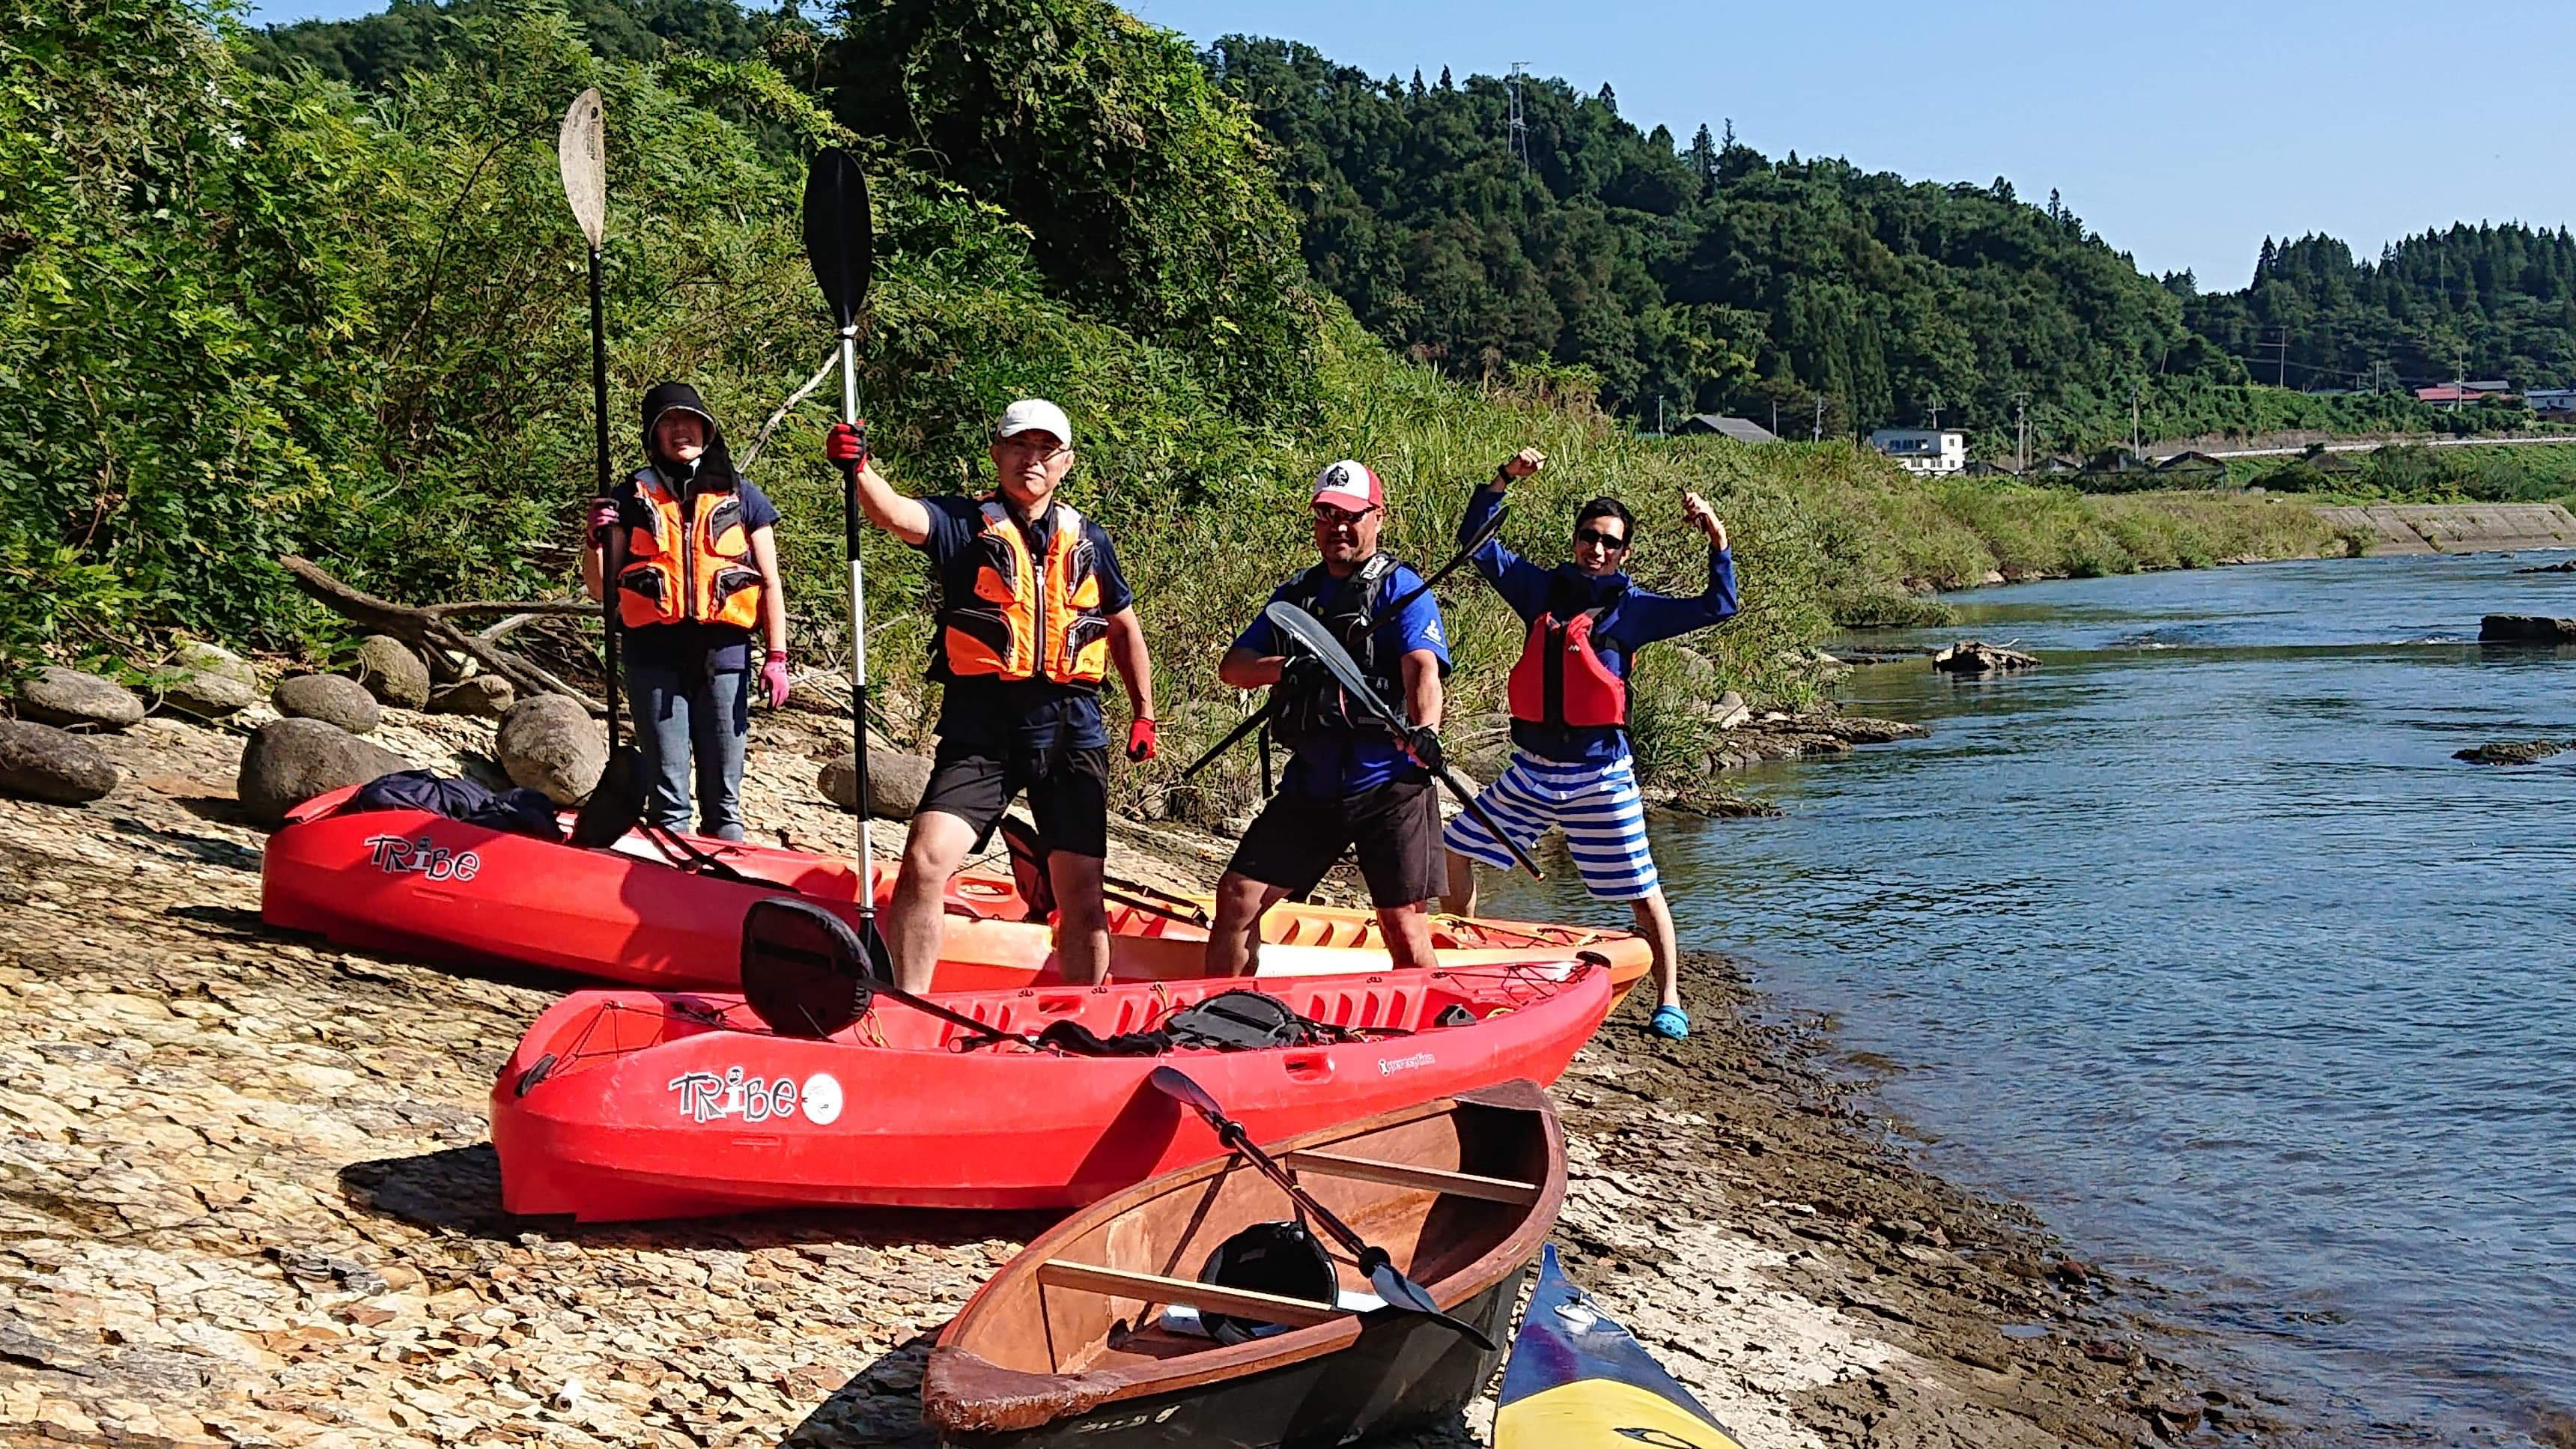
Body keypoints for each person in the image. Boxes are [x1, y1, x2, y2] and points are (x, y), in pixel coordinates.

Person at [830, 400, 1155, 991]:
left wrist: (1144, 714)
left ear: (1065, 464)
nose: (1031, 460)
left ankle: (1084, 1015)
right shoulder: (963, 523)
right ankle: (911, 1000)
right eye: (1019, 447)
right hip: (984, 728)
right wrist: (861, 470)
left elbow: (1123, 627)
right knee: (927, 861)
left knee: (1080, 891)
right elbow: (897, 515)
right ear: (997, 454)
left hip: (1070, 728)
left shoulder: (1090, 538)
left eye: (1045, 451)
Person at [1438, 447, 1737, 1039]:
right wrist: (1501, 481)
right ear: (1574, 540)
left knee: (1642, 888)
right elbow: (1474, 542)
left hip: (1600, 774)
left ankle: (1670, 997)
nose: (1596, 549)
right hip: (1532, 768)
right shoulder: (1539, 590)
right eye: (1588, 537)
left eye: (1609, 541)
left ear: (1624, 552)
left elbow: (1718, 605)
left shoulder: (1634, 610)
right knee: (1455, 846)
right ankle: (1461, 963)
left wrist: (1718, 541)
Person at [1205, 461, 1450, 976]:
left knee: (1402, 922)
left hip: (1390, 781)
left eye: (1352, 515)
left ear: (1378, 518)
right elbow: (1234, 668)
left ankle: (1433, 1026)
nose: (1338, 526)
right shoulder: (1297, 594)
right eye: (1326, 514)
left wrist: (1426, 730)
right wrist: (1290, 666)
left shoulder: (1401, 589)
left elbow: (1422, 669)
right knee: (1237, 897)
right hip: (1314, 780)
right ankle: (1219, 1013)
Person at [582, 381, 791, 842]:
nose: (681, 431)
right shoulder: (628, 498)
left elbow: (771, 582)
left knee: (723, 798)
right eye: (669, 423)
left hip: (725, 655)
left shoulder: (744, 495)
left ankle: (724, 879)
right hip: (652, 655)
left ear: (707, 429)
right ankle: (670, 883)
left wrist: (777, 658)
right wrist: (594, 540)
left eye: (690, 421)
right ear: (654, 435)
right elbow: (601, 590)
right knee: (668, 795)